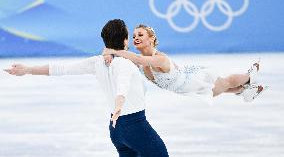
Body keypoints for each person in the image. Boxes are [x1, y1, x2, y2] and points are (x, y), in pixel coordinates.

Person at [4, 19, 169, 157]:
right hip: (134, 125)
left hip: (116, 128)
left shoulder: (98, 62)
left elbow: (60, 69)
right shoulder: (124, 64)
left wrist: (28, 70)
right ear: (125, 40)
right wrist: (119, 105)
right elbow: (122, 87)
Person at [103, 24, 268, 102]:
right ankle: (246, 91)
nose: (135, 38)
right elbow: (124, 56)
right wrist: (109, 52)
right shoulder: (137, 60)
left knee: (225, 83)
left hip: (192, 81)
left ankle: (249, 77)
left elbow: (136, 58)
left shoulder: (159, 58)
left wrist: (113, 51)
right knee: (222, 89)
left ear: (151, 38)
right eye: (133, 36)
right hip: (184, 86)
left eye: (140, 35)